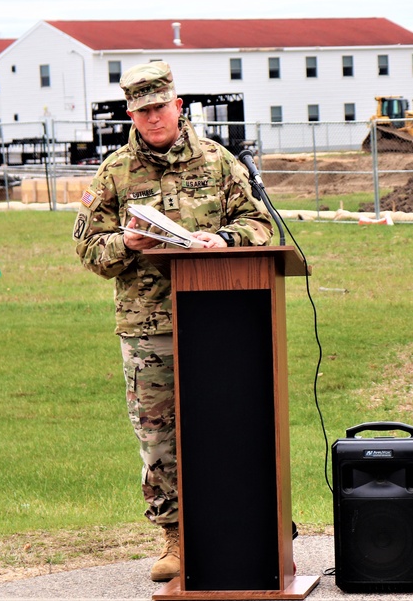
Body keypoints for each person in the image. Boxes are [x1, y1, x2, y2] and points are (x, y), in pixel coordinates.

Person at [72, 61, 273, 583]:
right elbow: (88, 248)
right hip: (149, 326)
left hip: (222, 319)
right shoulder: (114, 173)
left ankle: (250, 525)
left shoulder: (221, 162)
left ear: (177, 106)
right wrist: (126, 243)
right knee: (158, 436)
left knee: (233, 422)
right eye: (141, 112)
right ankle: (176, 537)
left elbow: (258, 222)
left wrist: (223, 240)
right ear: (129, 114)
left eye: (159, 107)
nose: (152, 118)